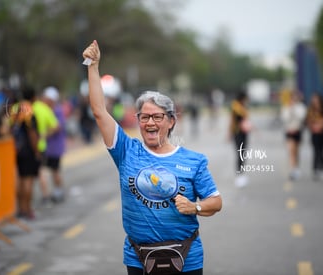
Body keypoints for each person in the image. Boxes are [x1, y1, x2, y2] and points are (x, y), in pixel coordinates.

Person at [83, 40, 222, 275]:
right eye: (144, 117)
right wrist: (93, 66)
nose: (149, 122)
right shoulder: (126, 150)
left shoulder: (194, 161)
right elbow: (99, 111)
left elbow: (215, 202)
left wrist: (194, 206)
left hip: (186, 258)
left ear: (171, 121)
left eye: (157, 117)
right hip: (139, 258)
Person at [10, 87, 41, 220]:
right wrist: (36, 151)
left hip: (17, 150)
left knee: (20, 180)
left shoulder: (16, 111)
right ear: (33, 97)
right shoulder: (29, 112)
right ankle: (27, 209)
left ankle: (20, 208)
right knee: (28, 180)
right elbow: (32, 134)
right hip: (28, 150)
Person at [40, 86, 67, 204]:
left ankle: (58, 191)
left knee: (55, 170)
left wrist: (44, 135)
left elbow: (58, 127)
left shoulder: (57, 111)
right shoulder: (47, 110)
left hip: (55, 147)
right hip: (48, 147)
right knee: (49, 170)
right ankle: (53, 192)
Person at [280, 91, 307, 181]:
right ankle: (292, 170)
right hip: (289, 131)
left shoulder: (301, 107)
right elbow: (284, 118)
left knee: (296, 151)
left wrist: (294, 109)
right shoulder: (286, 107)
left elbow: (301, 118)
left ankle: (296, 167)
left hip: (297, 131)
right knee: (291, 150)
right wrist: (290, 109)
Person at [229, 90, 251, 188]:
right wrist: (229, 133)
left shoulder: (243, 107)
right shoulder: (235, 107)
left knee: (243, 153)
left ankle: (241, 173)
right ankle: (239, 174)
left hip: (244, 133)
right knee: (240, 153)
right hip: (237, 133)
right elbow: (232, 120)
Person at [306, 93, 323, 181]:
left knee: (321, 151)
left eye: (316, 98)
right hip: (314, 133)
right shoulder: (311, 110)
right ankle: (315, 169)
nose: (314, 100)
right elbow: (308, 120)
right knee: (315, 151)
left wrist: (320, 126)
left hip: (322, 132)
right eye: (313, 99)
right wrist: (313, 127)